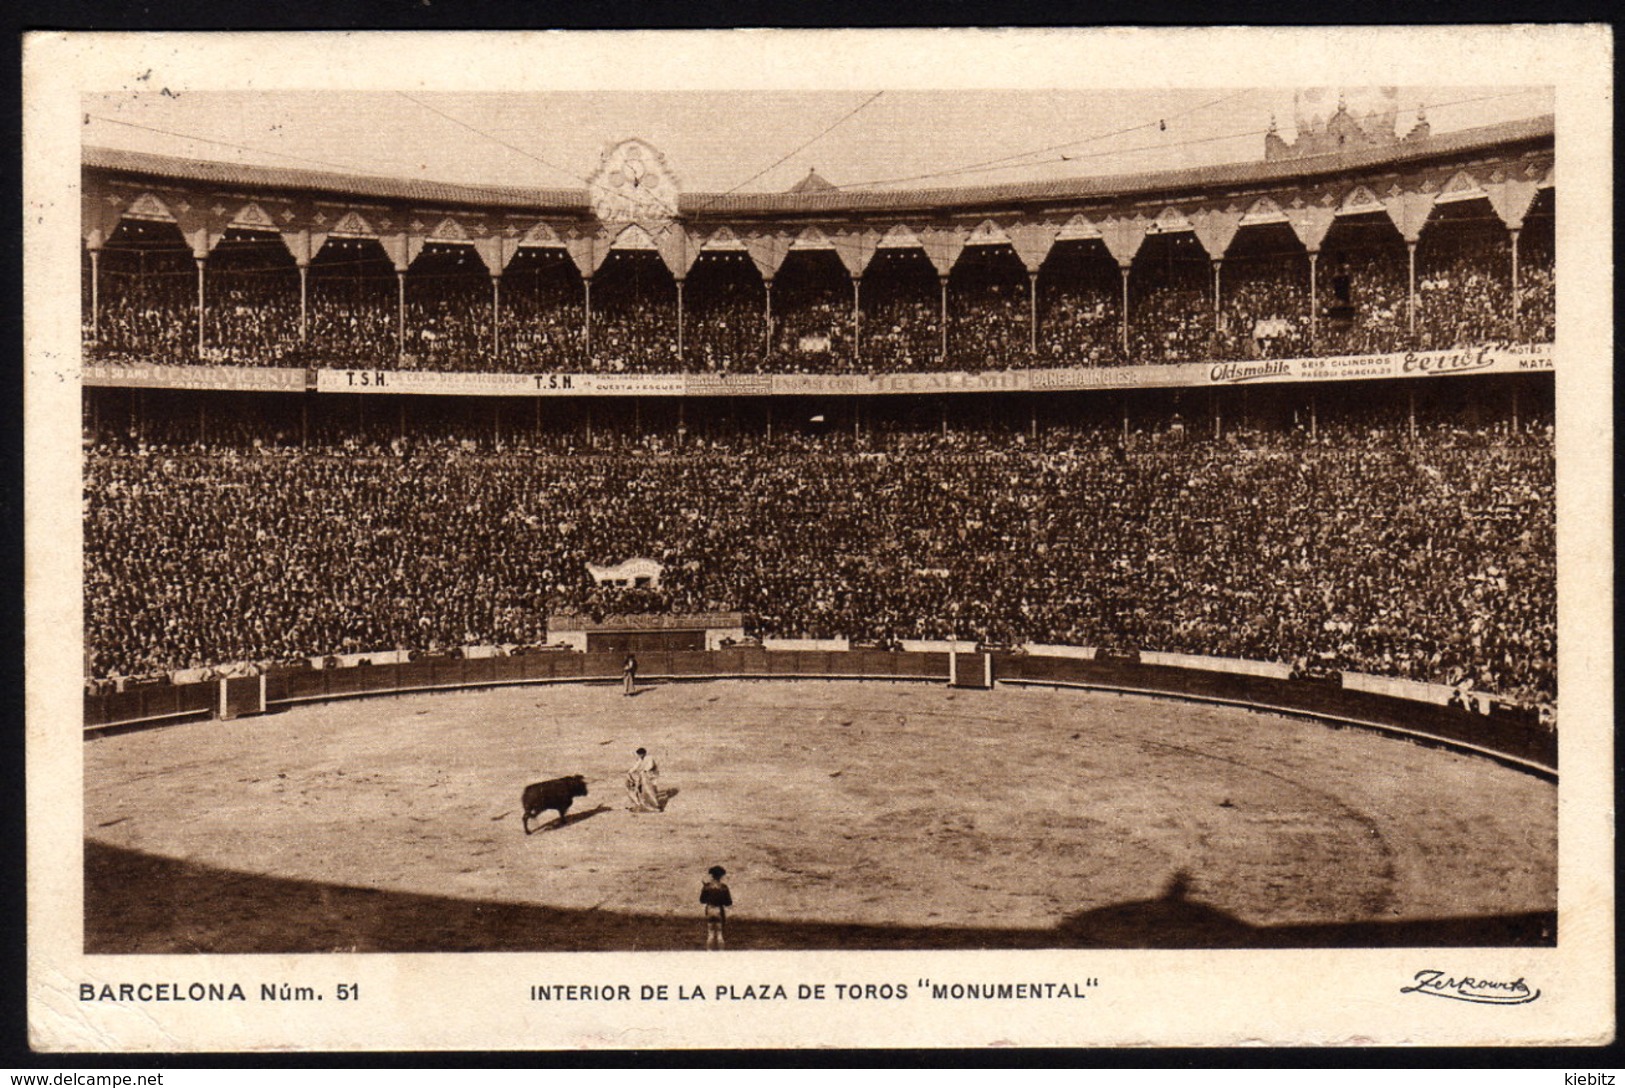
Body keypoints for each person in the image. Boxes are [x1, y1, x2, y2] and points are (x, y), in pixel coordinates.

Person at [700, 865, 732, 950]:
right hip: (719, 910)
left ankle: (709, 953)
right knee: (719, 934)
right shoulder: (724, 887)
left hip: (709, 910)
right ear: (721, 876)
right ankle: (721, 954)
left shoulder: (707, 886)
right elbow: (728, 903)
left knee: (710, 933)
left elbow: (702, 900)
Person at [625, 746, 661, 812]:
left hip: (652, 775)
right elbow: (636, 766)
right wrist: (630, 771)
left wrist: (644, 770)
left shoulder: (649, 758)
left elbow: (650, 765)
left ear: (643, 754)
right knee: (644, 789)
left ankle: (655, 805)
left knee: (651, 790)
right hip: (646, 775)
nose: (639, 756)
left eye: (640, 754)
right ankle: (647, 803)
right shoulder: (641, 759)